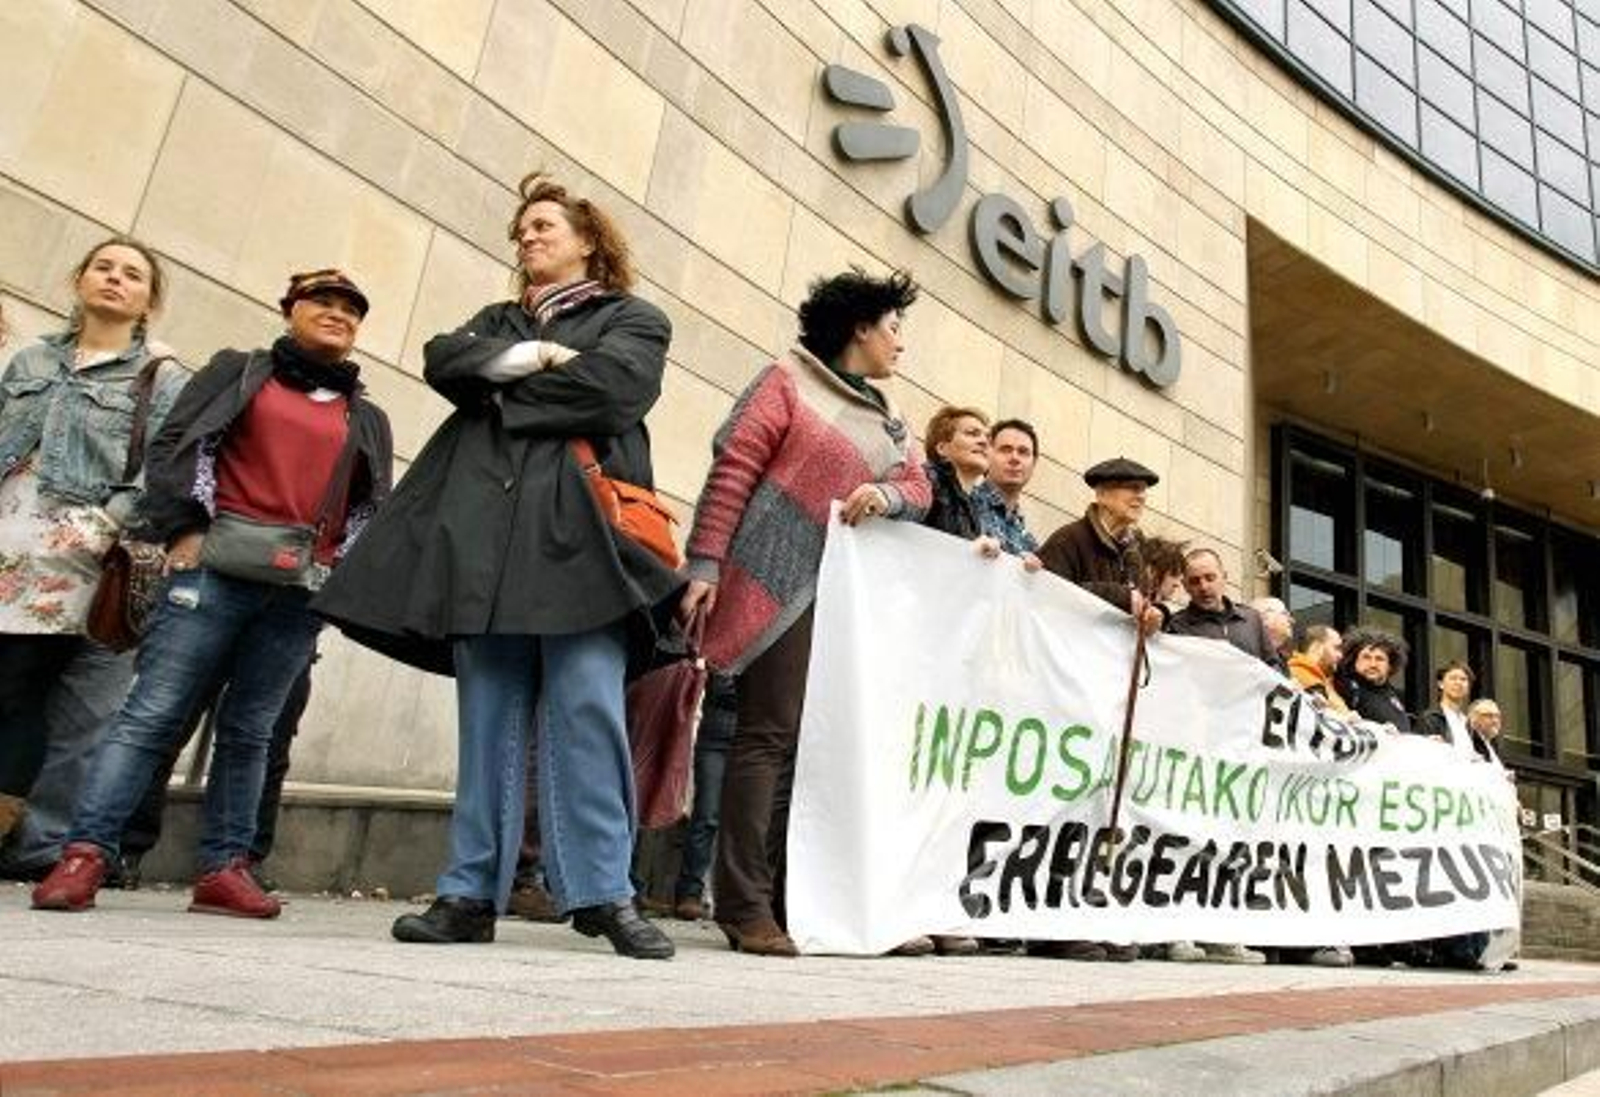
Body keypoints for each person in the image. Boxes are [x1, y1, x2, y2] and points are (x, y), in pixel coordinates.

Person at [315, 175, 681, 960]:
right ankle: (468, 892)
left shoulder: (634, 318)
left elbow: (612, 391)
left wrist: (499, 389)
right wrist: (539, 355)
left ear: (589, 240)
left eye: (544, 224)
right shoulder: (497, 319)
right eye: (522, 229)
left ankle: (605, 892)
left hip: (578, 542)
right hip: (482, 543)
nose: (528, 237)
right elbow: (445, 359)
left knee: (588, 708)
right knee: (487, 717)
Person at [32, 268, 392, 918]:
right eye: (323, 301)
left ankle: (224, 867)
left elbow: (370, 505)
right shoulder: (239, 372)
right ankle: (84, 853)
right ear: (290, 309)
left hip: (298, 592)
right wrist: (186, 527)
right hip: (211, 571)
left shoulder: (366, 415)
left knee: (253, 731)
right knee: (151, 715)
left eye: (351, 309)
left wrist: (342, 574)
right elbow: (177, 444)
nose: (338, 314)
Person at [679, 267, 930, 958]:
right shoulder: (786, 381)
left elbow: (919, 486)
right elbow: (734, 468)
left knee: (816, 747)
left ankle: (804, 899)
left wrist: (888, 496)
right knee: (766, 735)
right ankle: (744, 904)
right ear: (860, 328)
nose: (900, 343)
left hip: (844, 601)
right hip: (775, 582)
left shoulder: (890, 420)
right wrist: (705, 562)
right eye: (893, 328)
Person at [0, 237, 189, 876]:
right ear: (78, 279)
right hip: (10, 539)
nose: (115, 279)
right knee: (10, 689)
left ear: (149, 301)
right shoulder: (31, 360)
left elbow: (165, 465)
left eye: (132, 275)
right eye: (103, 267)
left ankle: (41, 845)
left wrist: (108, 519)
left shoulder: (162, 378)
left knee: (74, 708)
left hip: (85, 552)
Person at [1033, 457, 1165, 963]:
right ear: (1102, 494)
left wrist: (1152, 613)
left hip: (1106, 696)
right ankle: (1052, 921)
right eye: (1130, 488)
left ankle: (1089, 910)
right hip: (1066, 691)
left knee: (1099, 805)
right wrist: (1121, 597)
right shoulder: (1070, 540)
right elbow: (1047, 592)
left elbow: (1140, 602)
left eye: (1142, 489)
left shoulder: (1134, 553)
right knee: (1063, 804)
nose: (1139, 497)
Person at [1166, 549, 1280, 670]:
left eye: (1210, 578)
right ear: (1185, 586)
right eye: (1194, 582)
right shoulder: (1176, 626)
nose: (1204, 587)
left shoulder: (1251, 619)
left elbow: (1272, 666)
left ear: (1224, 577)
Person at [920, 405, 991, 543]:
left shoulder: (975, 507)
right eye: (972, 433)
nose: (984, 442)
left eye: (988, 438)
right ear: (942, 448)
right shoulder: (927, 479)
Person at [973, 418, 1040, 560]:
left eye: (1023, 452)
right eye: (1005, 450)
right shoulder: (964, 504)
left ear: (1034, 464)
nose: (1015, 458)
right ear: (987, 455)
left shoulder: (1029, 543)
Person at [1334, 629, 1412, 734]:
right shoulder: (1345, 686)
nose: (1373, 664)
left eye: (1379, 659)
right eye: (1366, 657)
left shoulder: (1395, 695)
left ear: (1390, 665)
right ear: (1354, 661)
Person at [1416, 661, 1475, 754]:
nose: (1458, 683)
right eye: (1453, 678)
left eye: (1463, 679)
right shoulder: (1430, 718)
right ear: (1441, 684)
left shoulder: (1468, 723)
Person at [1287, 625, 1348, 713]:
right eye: (1336, 648)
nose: (1340, 655)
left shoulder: (1320, 677)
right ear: (1316, 647)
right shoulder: (1301, 674)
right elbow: (1333, 715)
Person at [1250, 595, 1295, 671]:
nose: (1292, 620)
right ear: (1265, 618)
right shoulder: (1248, 658)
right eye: (1285, 614)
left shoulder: (1283, 661)